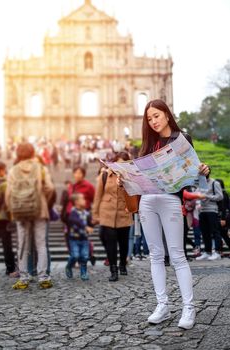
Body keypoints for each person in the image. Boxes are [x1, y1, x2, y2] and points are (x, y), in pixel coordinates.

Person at [133, 99, 209, 329]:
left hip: (170, 199)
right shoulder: (147, 145)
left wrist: (204, 171)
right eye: (149, 118)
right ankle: (162, 305)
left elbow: (195, 177)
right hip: (147, 201)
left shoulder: (181, 139)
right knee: (155, 255)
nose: (153, 121)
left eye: (156, 115)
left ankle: (188, 308)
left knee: (177, 256)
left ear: (167, 114)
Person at [5, 142, 55, 289]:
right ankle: (43, 277)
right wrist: (42, 200)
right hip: (39, 210)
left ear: (18, 154)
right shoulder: (41, 168)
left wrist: (13, 208)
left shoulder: (13, 170)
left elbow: (8, 194)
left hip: (20, 212)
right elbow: (50, 188)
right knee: (41, 244)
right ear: (33, 153)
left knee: (23, 245)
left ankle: (24, 278)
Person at [92, 151, 133, 282]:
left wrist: (125, 183)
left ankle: (122, 263)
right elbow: (97, 196)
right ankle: (113, 270)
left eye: (123, 164)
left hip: (124, 213)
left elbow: (134, 195)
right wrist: (95, 214)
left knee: (124, 243)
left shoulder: (131, 177)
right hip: (107, 213)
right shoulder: (105, 175)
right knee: (110, 243)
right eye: (118, 163)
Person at [65, 193, 93, 280]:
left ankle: (83, 273)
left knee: (84, 256)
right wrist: (85, 227)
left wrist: (93, 224)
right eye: (82, 199)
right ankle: (69, 266)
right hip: (74, 239)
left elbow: (90, 223)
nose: (85, 200)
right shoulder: (73, 213)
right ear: (76, 202)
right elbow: (76, 221)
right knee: (75, 255)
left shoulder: (86, 213)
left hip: (84, 239)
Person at [196, 170, 223, 261]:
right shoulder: (199, 184)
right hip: (202, 211)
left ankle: (218, 252)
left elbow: (220, 196)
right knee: (204, 232)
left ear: (208, 172)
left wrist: (207, 196)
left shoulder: (214, 183)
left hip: (212, 210)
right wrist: (197, 202)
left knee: (215, 231)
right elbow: (196, 195)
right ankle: (207, 252)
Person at [0, 161, 18, 277]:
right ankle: (10, 269)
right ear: (1, 170)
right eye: (4, 169)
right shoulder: (3, 183)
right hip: (2, 218)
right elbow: (8, 201)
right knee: (7, 245)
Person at [215, 179, 230, 256]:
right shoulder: (223, 193)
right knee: (222, 234)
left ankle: (219, 251)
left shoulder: (223, 194)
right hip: (223, 217)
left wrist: (223, 219)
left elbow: (224, 208)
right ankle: (219, 250)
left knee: (222, 234)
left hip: (224, 217)